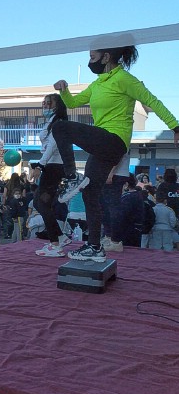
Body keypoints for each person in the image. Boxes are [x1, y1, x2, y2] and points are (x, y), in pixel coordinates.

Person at [52, 42, 179, 262]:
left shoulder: (124, 79)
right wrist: (64, 90)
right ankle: (94, 246)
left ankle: (72, 177)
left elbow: (153, 101)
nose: (89, 61)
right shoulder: (97, 84)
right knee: (90, 193)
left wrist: (176, 127)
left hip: (114, 140)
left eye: (92, 56)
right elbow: (73, 103)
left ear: (106, 56)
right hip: (102, 144)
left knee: (60, 127)